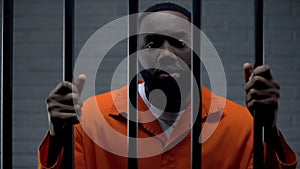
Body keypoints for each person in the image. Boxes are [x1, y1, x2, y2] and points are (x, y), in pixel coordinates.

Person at [38, 2, 298, 169]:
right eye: (152, 43)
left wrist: (270, 132)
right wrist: (56, 134)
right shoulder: (92, 120)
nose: (166, 54)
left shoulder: (241, 126)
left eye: (179, 43)